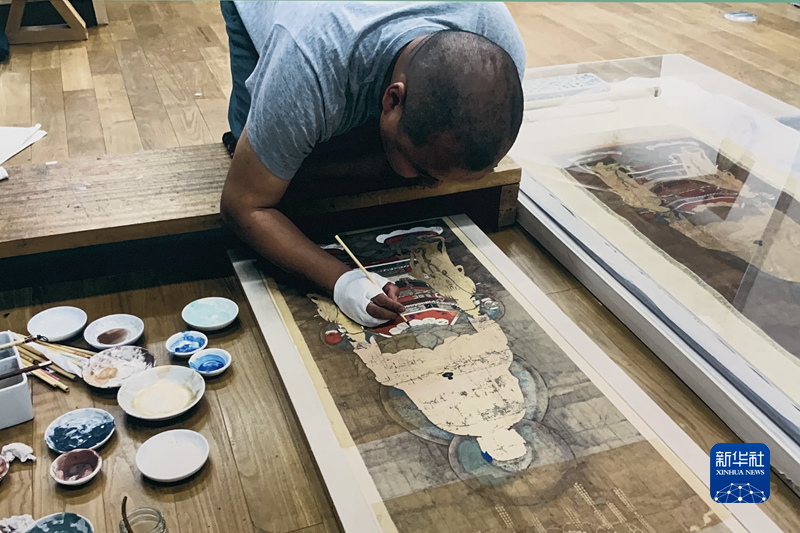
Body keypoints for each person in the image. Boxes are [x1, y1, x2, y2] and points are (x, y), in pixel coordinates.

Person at [219, 1, 526, 327]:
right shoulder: (307, 67)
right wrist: (342, 281)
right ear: (392, 99)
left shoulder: (500, 50)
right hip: (277, 14)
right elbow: (244, 205)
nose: (434, 187)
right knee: (267, 161)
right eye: (425, 171)